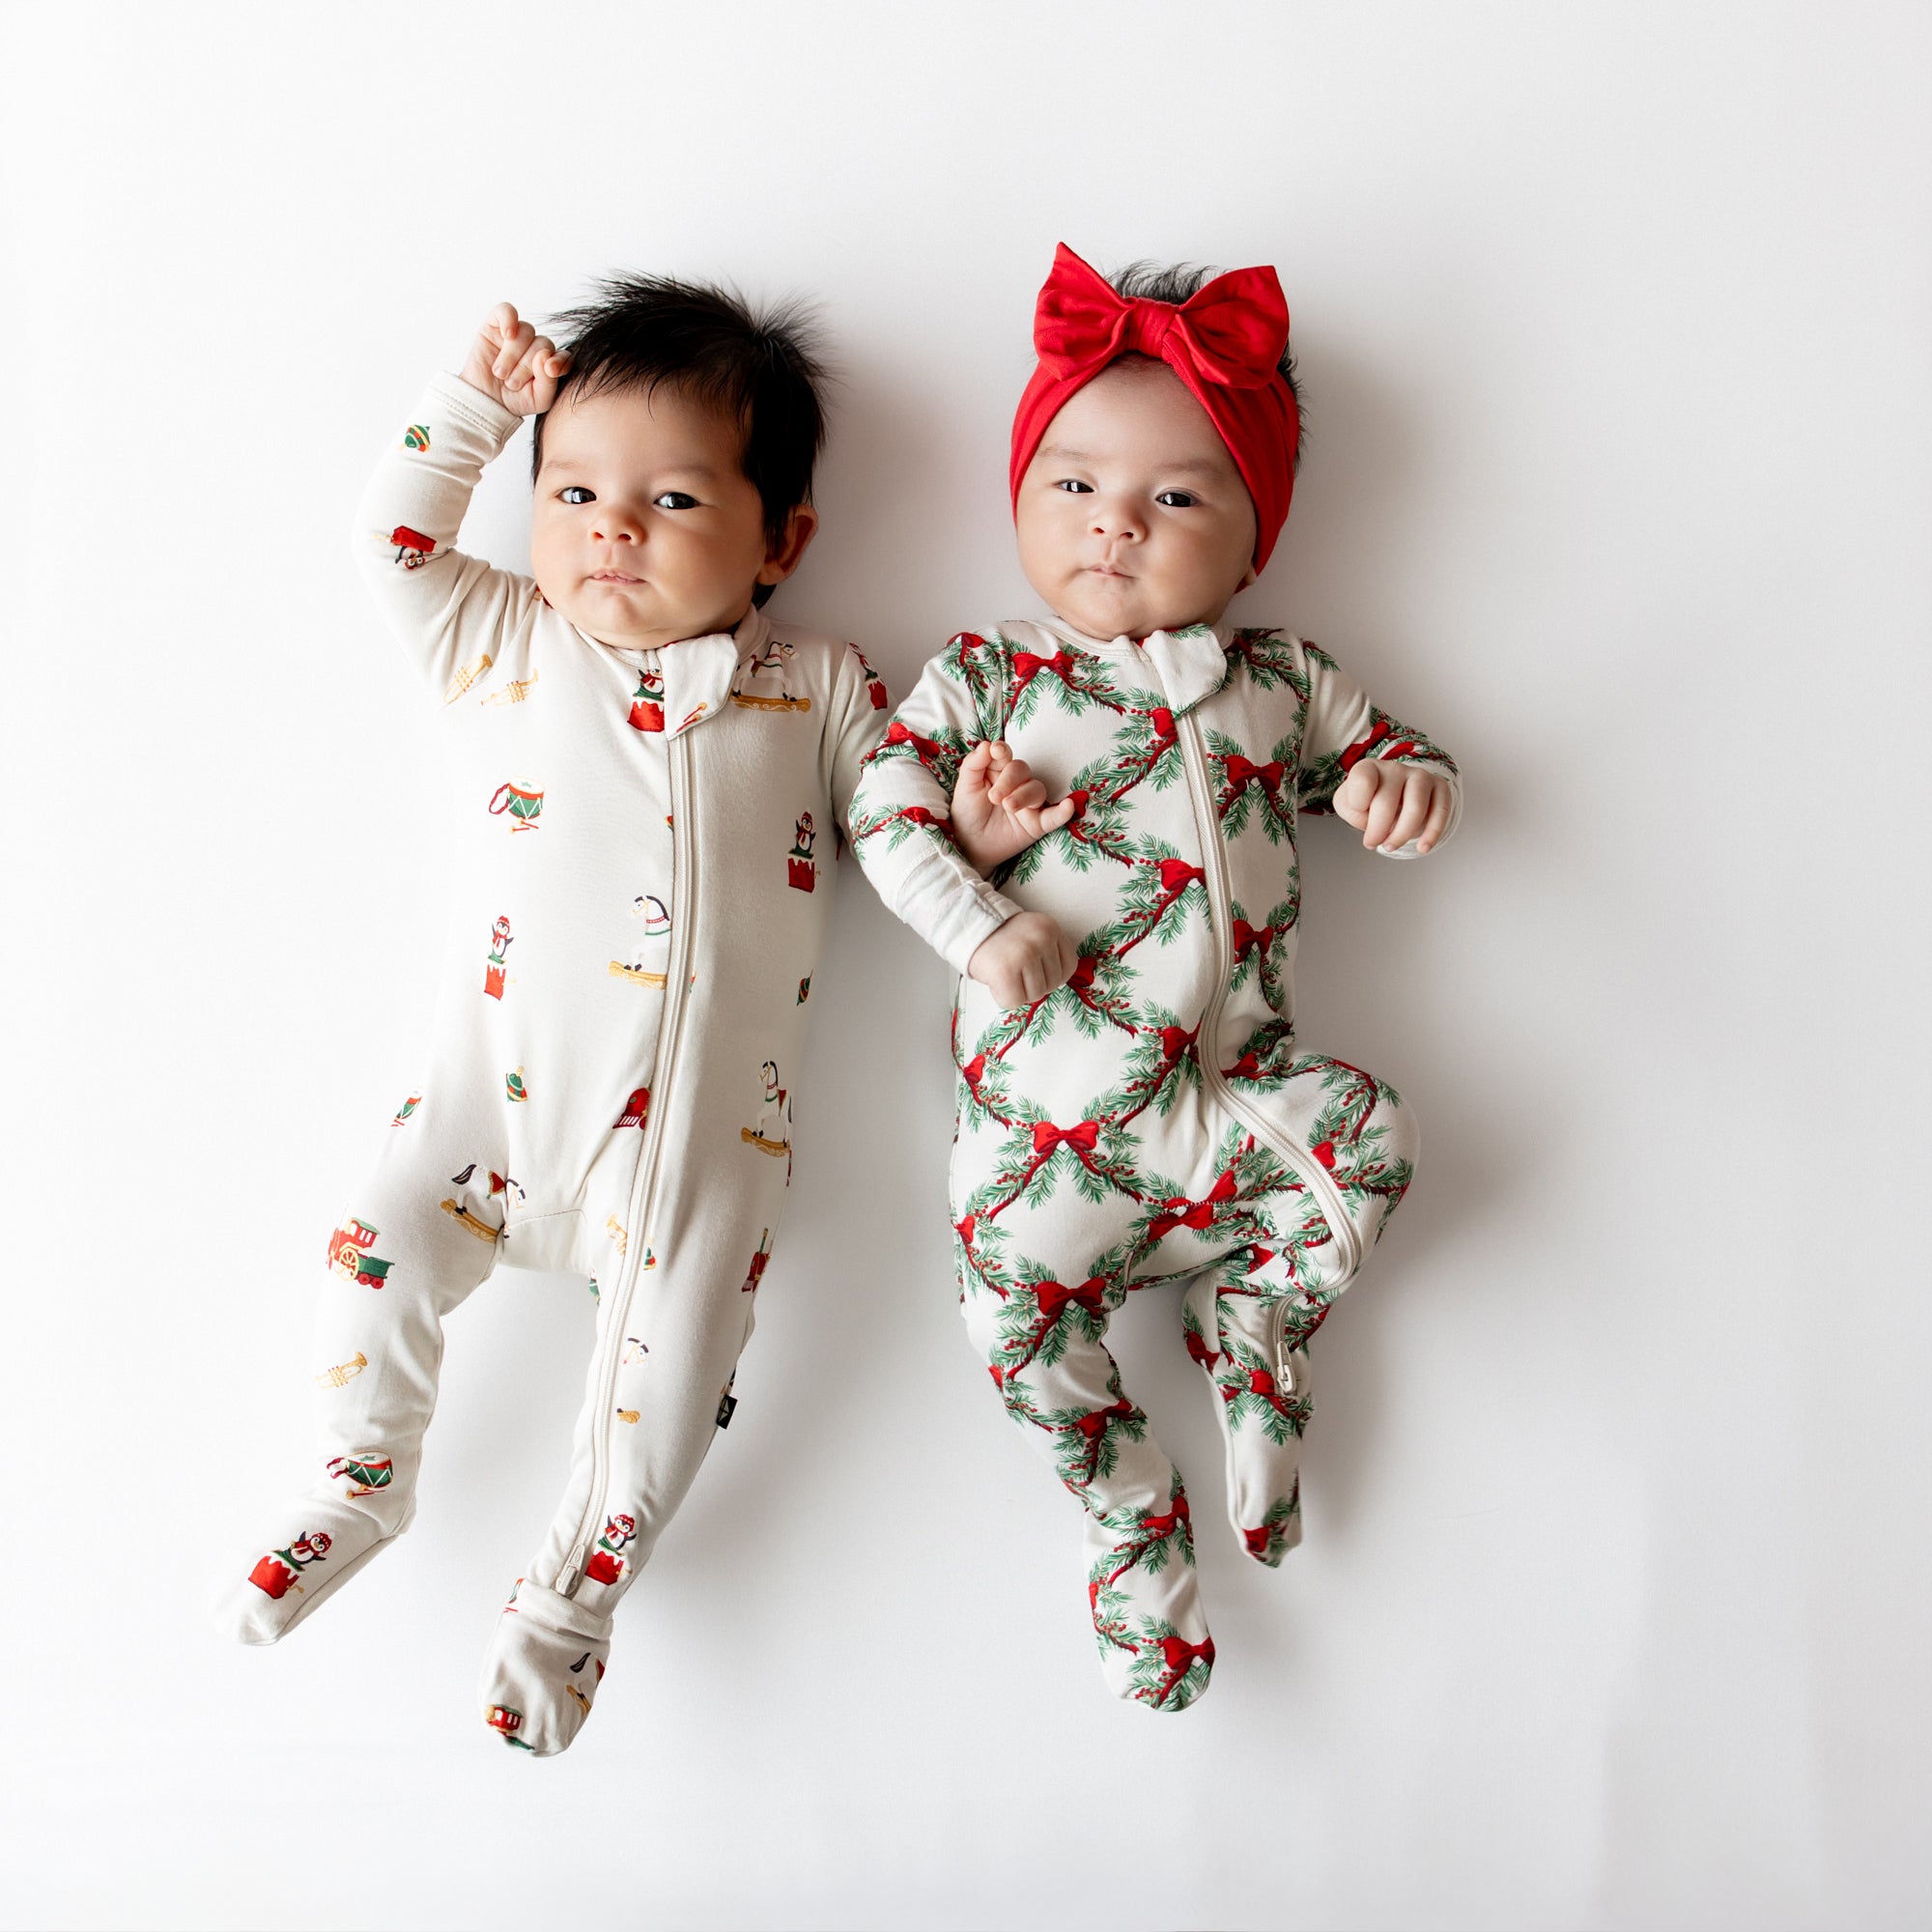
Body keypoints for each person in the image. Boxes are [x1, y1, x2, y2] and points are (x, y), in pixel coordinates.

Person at [213, 277, 888, 1756]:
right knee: (376, 1243)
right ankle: (360, 1477)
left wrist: (978, 832)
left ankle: (565, 1611)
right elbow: (386, 544)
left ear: (783, 541)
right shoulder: (502, 643)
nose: (610, 528)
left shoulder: (819, 687)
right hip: (487, 1116)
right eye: (572, 487)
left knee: (670, 1386)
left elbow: (901, 825)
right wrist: (472, 406)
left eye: (671, 498)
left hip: (694, 1162)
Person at [849, 243, 1462, 1711]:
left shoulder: (1279, 680)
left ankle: (1256, 1327)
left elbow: (1390, 752)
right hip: (1038, 1145)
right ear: (1016, 498)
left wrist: (1403, 787)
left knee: (1377, 1133)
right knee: (1014, 1336)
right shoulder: (988, 672)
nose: (1113, 524)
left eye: (1174, 496)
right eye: (1072, 484)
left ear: (1255, 538)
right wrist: (977, 920)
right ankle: (1131, 1521)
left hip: (1235, 1109)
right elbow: (881, 809)